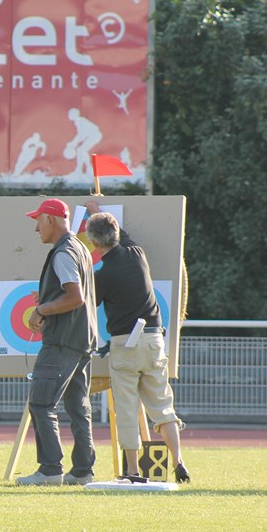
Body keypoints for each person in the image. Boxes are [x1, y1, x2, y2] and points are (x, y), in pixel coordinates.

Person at [84, 204, 190, 482]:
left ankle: (131, 470)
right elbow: (123, 234)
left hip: (125, 345)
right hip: (155, 340)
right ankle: (178, 462)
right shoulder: (136, 254)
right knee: (163, 406)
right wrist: (99, 208)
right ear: (116, 233)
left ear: (93, 244)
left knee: (127, 409)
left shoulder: (102, 276)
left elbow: (87, 302)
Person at [16, 198, 98, 486]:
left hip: (62, 341)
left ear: (51, 220)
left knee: (41, 403)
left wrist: (41, 309)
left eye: (38, 221)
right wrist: (49, 301)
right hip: (83, 339)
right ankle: (82, 470)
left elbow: (74, 297)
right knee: (78, 407)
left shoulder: (62, 252)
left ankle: (51, 469)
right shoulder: (80, 248)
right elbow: (76, 294)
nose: (36, 228)